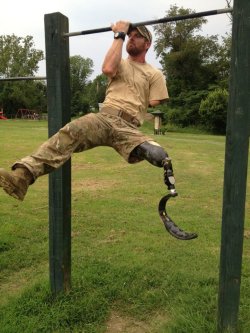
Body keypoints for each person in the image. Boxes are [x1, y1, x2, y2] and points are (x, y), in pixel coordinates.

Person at [0, 21, 176, 201]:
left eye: (137, 36)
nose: (132, 38)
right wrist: (119, 35)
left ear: (147, 44)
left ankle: (170, 185)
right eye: (130, 35)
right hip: (104, 118)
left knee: (159, 155)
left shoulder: (154, 73)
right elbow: (107, 68)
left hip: (129, 127)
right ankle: (21, 178)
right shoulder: (120, 63)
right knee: (70, 132)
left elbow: (155, 100)